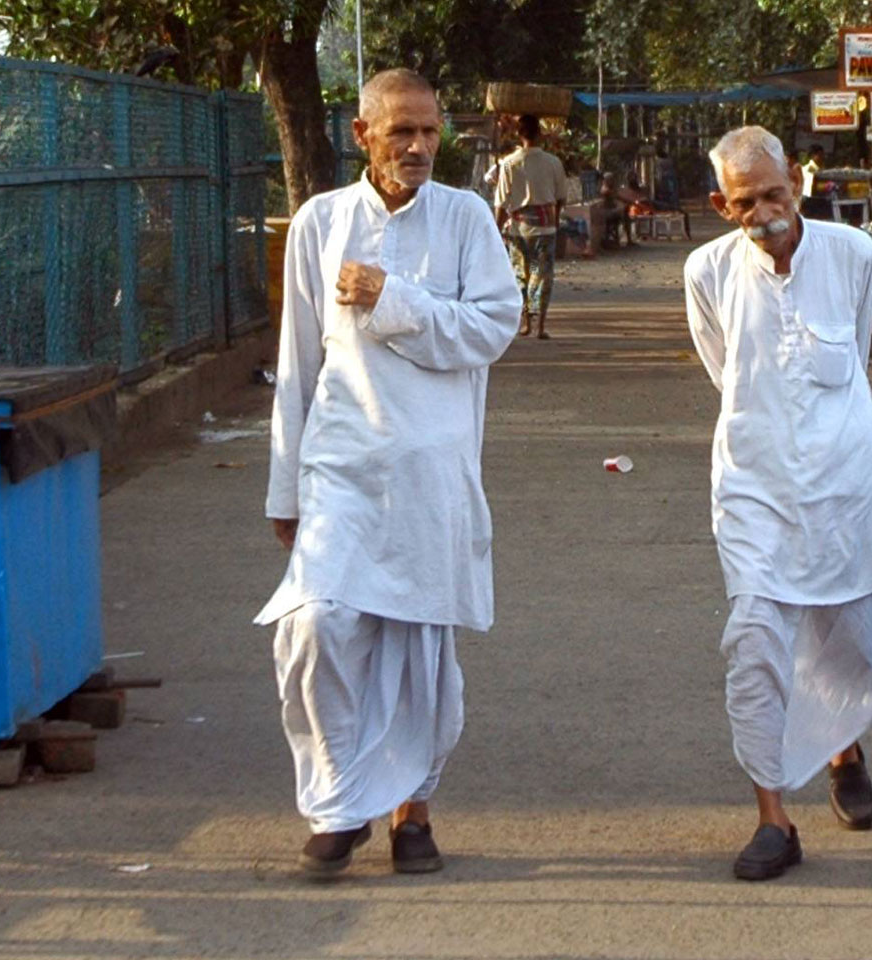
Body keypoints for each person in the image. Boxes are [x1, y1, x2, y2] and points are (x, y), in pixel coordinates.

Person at [256, 68, 522, 879]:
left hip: (432, 467)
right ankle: (339, 806)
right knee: (315, 628)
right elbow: (297, 363)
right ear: (363, 133)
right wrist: (284, 487)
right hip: (340, 463)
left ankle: (414, 813)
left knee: (419, 650)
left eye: (430, 132)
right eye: (400, 131)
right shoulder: (320, 222)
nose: (417, 147)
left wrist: (392, 298)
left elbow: (491, 329)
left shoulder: (467, 217)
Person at [682, 126, 872, 882]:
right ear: (723, 204)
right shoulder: (707, 272)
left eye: (775, 193)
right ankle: (773, 820)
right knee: (753, 641)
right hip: (755, 486)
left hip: (849, 482)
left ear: (798, 185)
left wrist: (820, 430)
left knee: (852, 641)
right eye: (746, 201)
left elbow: (854, 362)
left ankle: (844, 749)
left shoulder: (852, 253)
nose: (765, 212)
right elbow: (732, 377)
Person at [495, 114, 568, 338]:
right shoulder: (553, 162)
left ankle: (526, 322)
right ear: (540, 134)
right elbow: (561, 197)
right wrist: (555, 221)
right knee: (542, 275)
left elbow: (500, 203)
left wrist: (495, 231)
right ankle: (541, 326)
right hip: (545, 229)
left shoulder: (509, 163)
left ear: (519, 134)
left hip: (518, 230)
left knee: (521, 276)